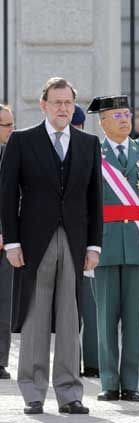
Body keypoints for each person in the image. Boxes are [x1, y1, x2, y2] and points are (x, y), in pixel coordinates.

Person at [0, 77, 102, 415]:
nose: (62, 108)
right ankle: (32, 391)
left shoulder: (89, 144)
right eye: (56, 102)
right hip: (33, 241)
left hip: (74, 241)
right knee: (35, 315)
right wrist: (11, 240)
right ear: (43, 105)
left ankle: (70, 393)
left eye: (68, 103)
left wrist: (94, 246)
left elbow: (94, 199)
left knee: (71, 318)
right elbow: (6, 195)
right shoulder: (22, 141)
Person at [88, 95, 139, 402]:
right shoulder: (91, 154)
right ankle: (109, 382)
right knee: (105, 318)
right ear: (103, 122)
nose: (125, 119)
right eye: (117, 115)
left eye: (126, 114)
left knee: (134, 321)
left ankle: (131, 383)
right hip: (105, 246)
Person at [69, 104, 100, 379]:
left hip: (90, 238)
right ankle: (75, 361)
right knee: (72, 308)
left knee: (91, 307)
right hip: (69, 238)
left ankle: (92, 361)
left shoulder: (89, 149)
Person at [0, 103, 14, 380]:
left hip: (5, 240)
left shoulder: (11, 156)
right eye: (6, 125)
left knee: (3, 301)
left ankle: (0, 359)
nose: (12, 129)